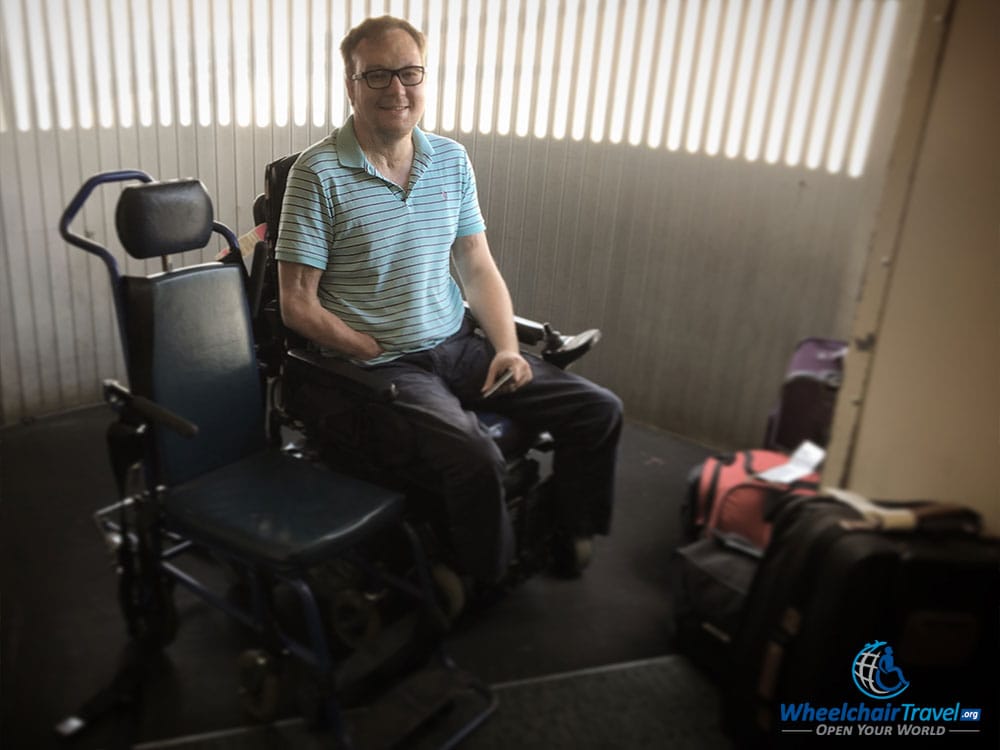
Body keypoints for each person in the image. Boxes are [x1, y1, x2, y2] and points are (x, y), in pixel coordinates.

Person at [274, 15, 622, 586]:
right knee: (474, 455)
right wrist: (363, 346)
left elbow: (476, 265)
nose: (396, 89)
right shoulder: (317, 174)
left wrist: (507, 348)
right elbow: (297, 304)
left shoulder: (450, 159)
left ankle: (567, 527)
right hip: (385, 366)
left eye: (409, 72)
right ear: (350, 86)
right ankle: (487, 578)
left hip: (456, 345)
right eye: (377, 75)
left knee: (598, 409)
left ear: (424, 78)